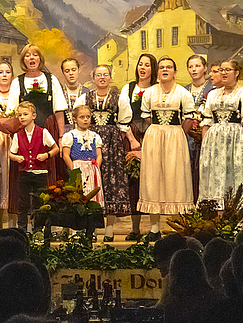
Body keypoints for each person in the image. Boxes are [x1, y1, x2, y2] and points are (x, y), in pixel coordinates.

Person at [139, 57, 195, 241]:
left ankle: (178, 227)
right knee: (152, 179)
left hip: (175, 137)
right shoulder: (149, 93)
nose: (165, 70)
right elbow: (147, 117)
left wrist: (177, 133)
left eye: (169, 67)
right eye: (162, 67)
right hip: (154, 136)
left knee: (176, 177)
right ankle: (154, 228)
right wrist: (159, 130)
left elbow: (188, 118)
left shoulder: (183, 93)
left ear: (175, 72)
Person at [75, 65, 132, 241]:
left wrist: (115, 139)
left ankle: (109, 229)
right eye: (98, 75)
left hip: (112, 142)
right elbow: (76, 115)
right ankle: (88, 227)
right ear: (93, 78)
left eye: (105, 75)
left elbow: (124, 120)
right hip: (89, 140)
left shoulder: (119, 97)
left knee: (111, 183)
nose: (102, 78)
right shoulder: (86, 97)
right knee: (89, 182)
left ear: (110, 77)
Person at [7, 44, 68, 187]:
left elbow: (58, 110)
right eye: (27, 55)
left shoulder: (51, 79)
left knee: (49, 169)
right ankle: (23, 207)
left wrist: (60, 137)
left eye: (35, 55)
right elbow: (12, 114)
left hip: (48, 127)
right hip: (24, 132)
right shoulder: (17, 82)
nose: (31, 58)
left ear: (40, 58)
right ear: (23, 60)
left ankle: (48, 206)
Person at [199, 60, 243, 206]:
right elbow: (207, 121)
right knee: (214, 176)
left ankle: (233, 214)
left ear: (236, 72)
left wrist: (242, 145)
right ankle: (212, 214)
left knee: (231, 175)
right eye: (221, 70)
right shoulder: (212, 94)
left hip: (234, 138)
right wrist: (205, 146)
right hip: (213, 140)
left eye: (227, 70)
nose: (223, 73)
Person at [120, 53, 157, 241]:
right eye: (140, 64)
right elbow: (123, 118)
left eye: (147, 65)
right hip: (132, 134)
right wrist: (132, 140)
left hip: (153, 136)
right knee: (133, 182)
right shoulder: (128, 88)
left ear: (153, 69)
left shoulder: (158, 89)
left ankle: (155, 228)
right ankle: (135, 228)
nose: (142, 68)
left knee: (152, 182)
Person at [9, 101, 59, 230]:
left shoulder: (43, 132)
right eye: (20, 115)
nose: (22, 117)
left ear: (34, 115)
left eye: (25, 114)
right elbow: (11, 154)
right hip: (24, 174)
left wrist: (46, 155)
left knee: (39, 203)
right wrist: (16, 157)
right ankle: (22, 229)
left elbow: (56, 148)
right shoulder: (17, 135)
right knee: (23, 203)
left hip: (40, 174)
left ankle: (38, 229)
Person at [0, 61, 18, 231]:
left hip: (15, 139)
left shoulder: (17, 92)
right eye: (1, 72)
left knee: (13, 180)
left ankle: (14, 225)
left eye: (8, 71)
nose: (4, 75)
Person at [185, 55, 215, 203]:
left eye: (197, 66)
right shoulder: (183, 90)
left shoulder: (212, 90)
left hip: (205, 134)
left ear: (205, 68)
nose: (194, 69)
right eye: (191, 67)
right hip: (187, 136)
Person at [61, 104, 104, 207]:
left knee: (92, 193)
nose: (85, 120)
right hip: (77, 167)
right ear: (75, 119)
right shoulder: (70, 136)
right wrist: (74, 170)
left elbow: (99, 155)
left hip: (92, 168)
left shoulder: (95, 136)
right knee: (79, 193)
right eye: (82, 117)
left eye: (88, 117)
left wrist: (96, 167)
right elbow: (66, 155)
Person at [60, 57, 89, 133]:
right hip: (64, 133)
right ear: (63, 73)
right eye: (67, 71)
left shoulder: (88, 93)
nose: (71, 73)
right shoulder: (59, 93)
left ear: (79, 70)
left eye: (73, 70)